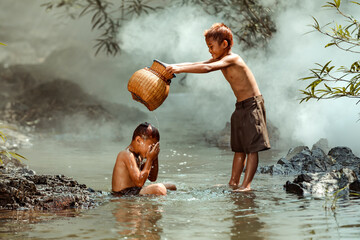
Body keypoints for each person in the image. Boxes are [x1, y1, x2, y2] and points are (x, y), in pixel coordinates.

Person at [165, 23, 270, 192]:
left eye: (211, 46)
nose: (209, 51)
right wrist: (173, 65)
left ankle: (246, 185)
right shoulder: (219, 59)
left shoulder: (233, 58)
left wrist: (179, 68)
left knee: (251, 148)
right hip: (240, 105)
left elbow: (206, 68)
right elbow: (199, 63)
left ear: (225, 44)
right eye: (208, 47)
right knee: (239, 148)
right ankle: (233, 183)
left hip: (252, 105)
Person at [112, 122, 176, 196]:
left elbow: (152, 178)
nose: (152, 149)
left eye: (154, 147)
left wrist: (154, 157)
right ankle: (157, 207)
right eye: (151, 146)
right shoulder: (126, 154)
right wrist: (149, 159)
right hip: (123, 195)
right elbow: (139, 183)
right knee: (159, 188)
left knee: (172, 186)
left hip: (133, 191)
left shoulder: (139, 156)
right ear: (138, 140)